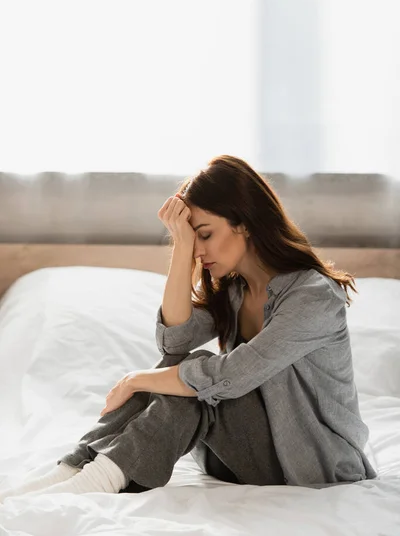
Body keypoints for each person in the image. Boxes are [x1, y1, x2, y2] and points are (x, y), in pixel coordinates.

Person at [0, 154, 377, 501]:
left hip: (312, 463)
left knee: (194, 377)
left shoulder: (313, 296)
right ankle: (76, 468)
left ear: (244, 223)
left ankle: (97, 479)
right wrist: (181, 248)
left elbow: (231, 376)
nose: (199, 249)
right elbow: (174, 341)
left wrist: (136, 379)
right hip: (238, 456)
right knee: (184, 371)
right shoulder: (234, 290)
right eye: (191, 237)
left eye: (205, 234)